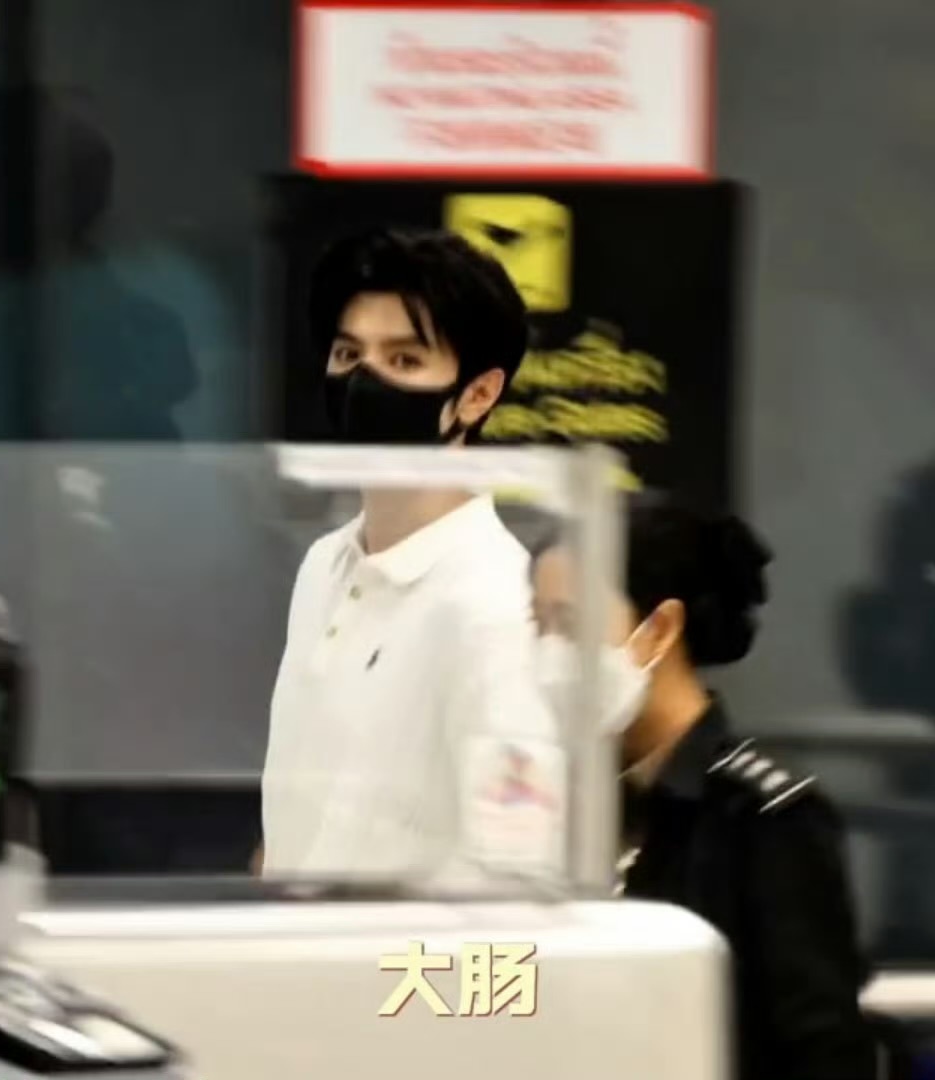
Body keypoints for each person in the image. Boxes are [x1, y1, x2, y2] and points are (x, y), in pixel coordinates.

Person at [530, 502, 898, 1080]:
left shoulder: (763, 819)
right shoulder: (568, 804)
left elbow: (823, 1048)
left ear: (660, 629)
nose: (547, 654)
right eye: (538, 626)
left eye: (570, 625)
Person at [258, 227, 554, 879]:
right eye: (348, 353)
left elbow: (514, 868)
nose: (365, 380)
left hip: (407, 947)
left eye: (405, 361)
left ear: (478, 394)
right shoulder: (324, 565)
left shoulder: (498, 605)